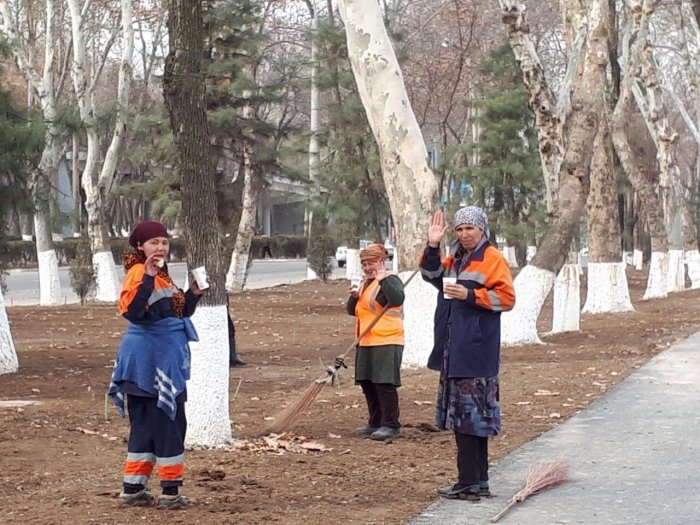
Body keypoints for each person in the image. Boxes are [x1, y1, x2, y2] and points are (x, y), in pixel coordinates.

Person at [107, 220, 205, 510]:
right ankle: (171, 493)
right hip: (152, 363)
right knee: (169, 425)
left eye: (164, 241)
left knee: (146, 427)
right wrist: (148, 275)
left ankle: (132, 490)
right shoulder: (140, 273)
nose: (160, 247)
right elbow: (134, 312)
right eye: (154, 242)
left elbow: (176, 312)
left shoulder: (160, 274)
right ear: (140, 247)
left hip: (147, 363)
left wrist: (193, 295)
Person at [420, 207, 515, 501]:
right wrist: (432, 245)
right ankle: (476, 481)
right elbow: (432, 275)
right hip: (454, 348)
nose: (464, 234)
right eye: (459, 229)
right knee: (467, 418)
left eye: (469, 229)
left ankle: (469, 482)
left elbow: (507, 298)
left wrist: (471, 295)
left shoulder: (492, 259)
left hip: (475, 350)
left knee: (470, 418)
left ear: (482, 229)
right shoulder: (456, 258)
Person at [344, 243, 405, 441]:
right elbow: (353, 311)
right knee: (368, 382)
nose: (368, 268)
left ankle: (391, 424)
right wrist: (353, 298)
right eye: (364, 264)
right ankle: (375, 421)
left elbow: (397, 299)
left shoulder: (391, 280)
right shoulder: (364, 283)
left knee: (384, 382)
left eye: (371, 263)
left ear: (381, 262)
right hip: (366, 340)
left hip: (387, 339)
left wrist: (383, 280)